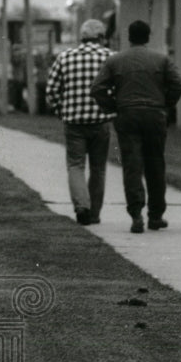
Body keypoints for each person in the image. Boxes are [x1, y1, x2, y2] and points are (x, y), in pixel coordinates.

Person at [90, 19, 181, 234]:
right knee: (156, 165)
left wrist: (112, 106)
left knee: (132, 166)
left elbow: (97, 88)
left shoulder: (115, 61)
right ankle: (156, 215)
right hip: (154, 115)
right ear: (148, 36)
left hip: (127, 114)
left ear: (129, 37)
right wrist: (165, 104)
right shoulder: (161, 59)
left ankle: (136, 214)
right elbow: (178, 83)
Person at [44, 19, 116, 225]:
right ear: (101, 37)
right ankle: (94, 213)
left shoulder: (65, 57)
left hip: (74, 122)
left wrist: (61, 110)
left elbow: (51, 92)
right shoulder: (111, 57)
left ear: (81, 37)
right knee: (98, 168)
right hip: (101, 121)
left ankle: (81, 206)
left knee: (75, 165)